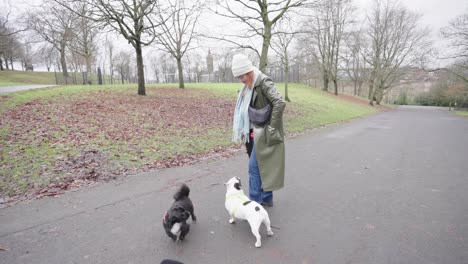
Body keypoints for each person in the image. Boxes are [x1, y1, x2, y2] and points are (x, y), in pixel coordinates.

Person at [231, 53, 286, 207]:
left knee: (254, 167)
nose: (241, 80)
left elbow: (279, 103)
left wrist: (272, 127)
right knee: (261, 164)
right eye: (238, 78)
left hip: (264, 130)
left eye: (242, 76)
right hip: (253, 130)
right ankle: (267, 197)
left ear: (248, 71)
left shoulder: (263, 82)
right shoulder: (248, 86)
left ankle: (255, 203)